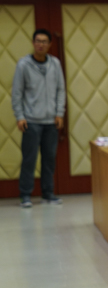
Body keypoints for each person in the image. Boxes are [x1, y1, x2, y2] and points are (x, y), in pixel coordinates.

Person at [11, 28, 66, 207]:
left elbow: (61, 90)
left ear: (49, 44)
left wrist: (59, 113)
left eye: (44, 41)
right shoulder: (24, 64)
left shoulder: (55, 64)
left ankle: (48, 193)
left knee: (49, 159)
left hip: (51, 121)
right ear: (33, 43)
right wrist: (20, 116)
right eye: (38, 41)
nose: (40, 44)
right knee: (29, 159)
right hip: (31, 121)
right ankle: (25, 194)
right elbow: (17, 93)